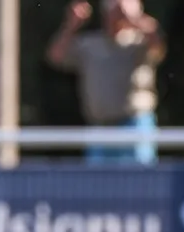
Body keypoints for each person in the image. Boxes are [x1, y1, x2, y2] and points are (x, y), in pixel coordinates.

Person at [47, 0, 165, 166]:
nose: (116, 15)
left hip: (135, 125)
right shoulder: (90, 44)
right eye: (112, 9)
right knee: (99, 187)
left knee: (139, 184)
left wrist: (134, 17)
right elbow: (55, 57)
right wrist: (71, 26)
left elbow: (158, 43)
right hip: (99, 128)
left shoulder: (140, 43)